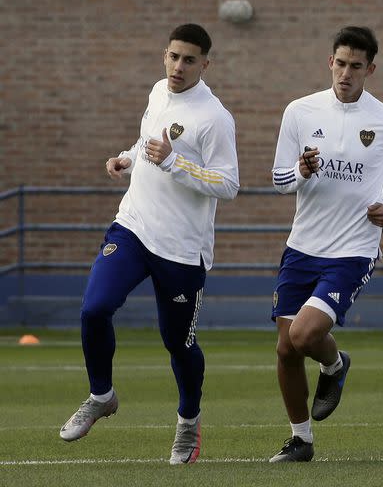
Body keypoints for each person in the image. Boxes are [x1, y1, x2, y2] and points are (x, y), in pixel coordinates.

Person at [59, 24, 239, 465]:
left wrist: (175, 162)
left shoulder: (215, 117)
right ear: (165, 56)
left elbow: (229, 184)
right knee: (94, 308)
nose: (178, 67)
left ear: (205, 64)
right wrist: (129, 156)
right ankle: (102, 395)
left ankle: (188, 423)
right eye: (173, 56)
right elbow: (148, 141)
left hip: (181, 249)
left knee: (177, 344)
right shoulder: (158, 91)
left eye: (189, 60)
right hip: (134, 226)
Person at [269, 26, 383, 463]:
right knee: (285, 348)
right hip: (302, 246)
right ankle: (301, 440)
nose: (346, 73)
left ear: (370, 69)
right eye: (340, 63)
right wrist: (300, 170)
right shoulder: (300, 111)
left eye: (356, 66)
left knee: (304, 334)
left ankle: (334, 364)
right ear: (329, 63)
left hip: (354, 249)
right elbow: (279, 181)